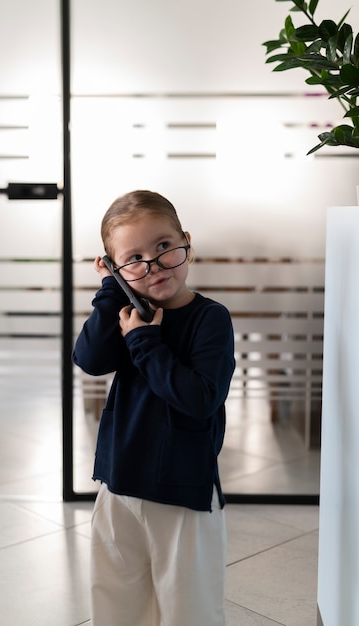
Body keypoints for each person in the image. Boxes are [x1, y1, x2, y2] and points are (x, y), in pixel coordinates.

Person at [72, 190, 235, 626]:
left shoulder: (210, 319)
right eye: (134, 259)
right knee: (117, 600)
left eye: (164, 246)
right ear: (117, 268)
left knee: (189, 607)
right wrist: (113, 290)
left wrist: (144, 342)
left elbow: (199, 399)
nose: (154, 265)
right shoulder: (126, 312)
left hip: (183, 492)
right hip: (120, 482)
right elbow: (89, 359)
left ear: (186, 241)